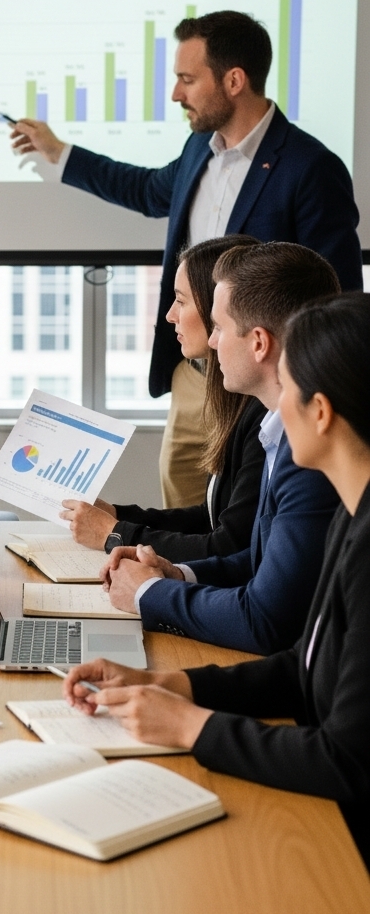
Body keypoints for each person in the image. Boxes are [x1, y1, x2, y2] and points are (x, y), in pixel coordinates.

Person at [61, 292, 370, 869]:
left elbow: (346, 760)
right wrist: (171, 685)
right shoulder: (354, 518)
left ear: (321, 412)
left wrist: (188, 726)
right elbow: (301, 668)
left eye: (289, 389)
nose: (275, 414)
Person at [10, 10, 362, 509]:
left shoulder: (311, 168)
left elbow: (335, 293)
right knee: (185, 513)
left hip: (262, 382)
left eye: (187, 79)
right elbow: (148, 189)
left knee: (246, 525)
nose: (177, 94)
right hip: (195, 373)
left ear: (234, 80)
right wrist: (60, 153)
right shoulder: (200, 148)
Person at [102, 242, 340, 654]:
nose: (212, 343)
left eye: (220, 328)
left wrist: (150, 594)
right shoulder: (277, 432)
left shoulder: (310, 455)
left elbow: (264, 620)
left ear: (259, 343)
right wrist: (176, 574)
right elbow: (256, 562)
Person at [60, 234, 267, 562]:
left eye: (181, 301)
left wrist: (114, 534)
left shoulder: (262, 415)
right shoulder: (236, 402)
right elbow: (213, 517)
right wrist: (118, 517)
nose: (170, 315)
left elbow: (228, 545)